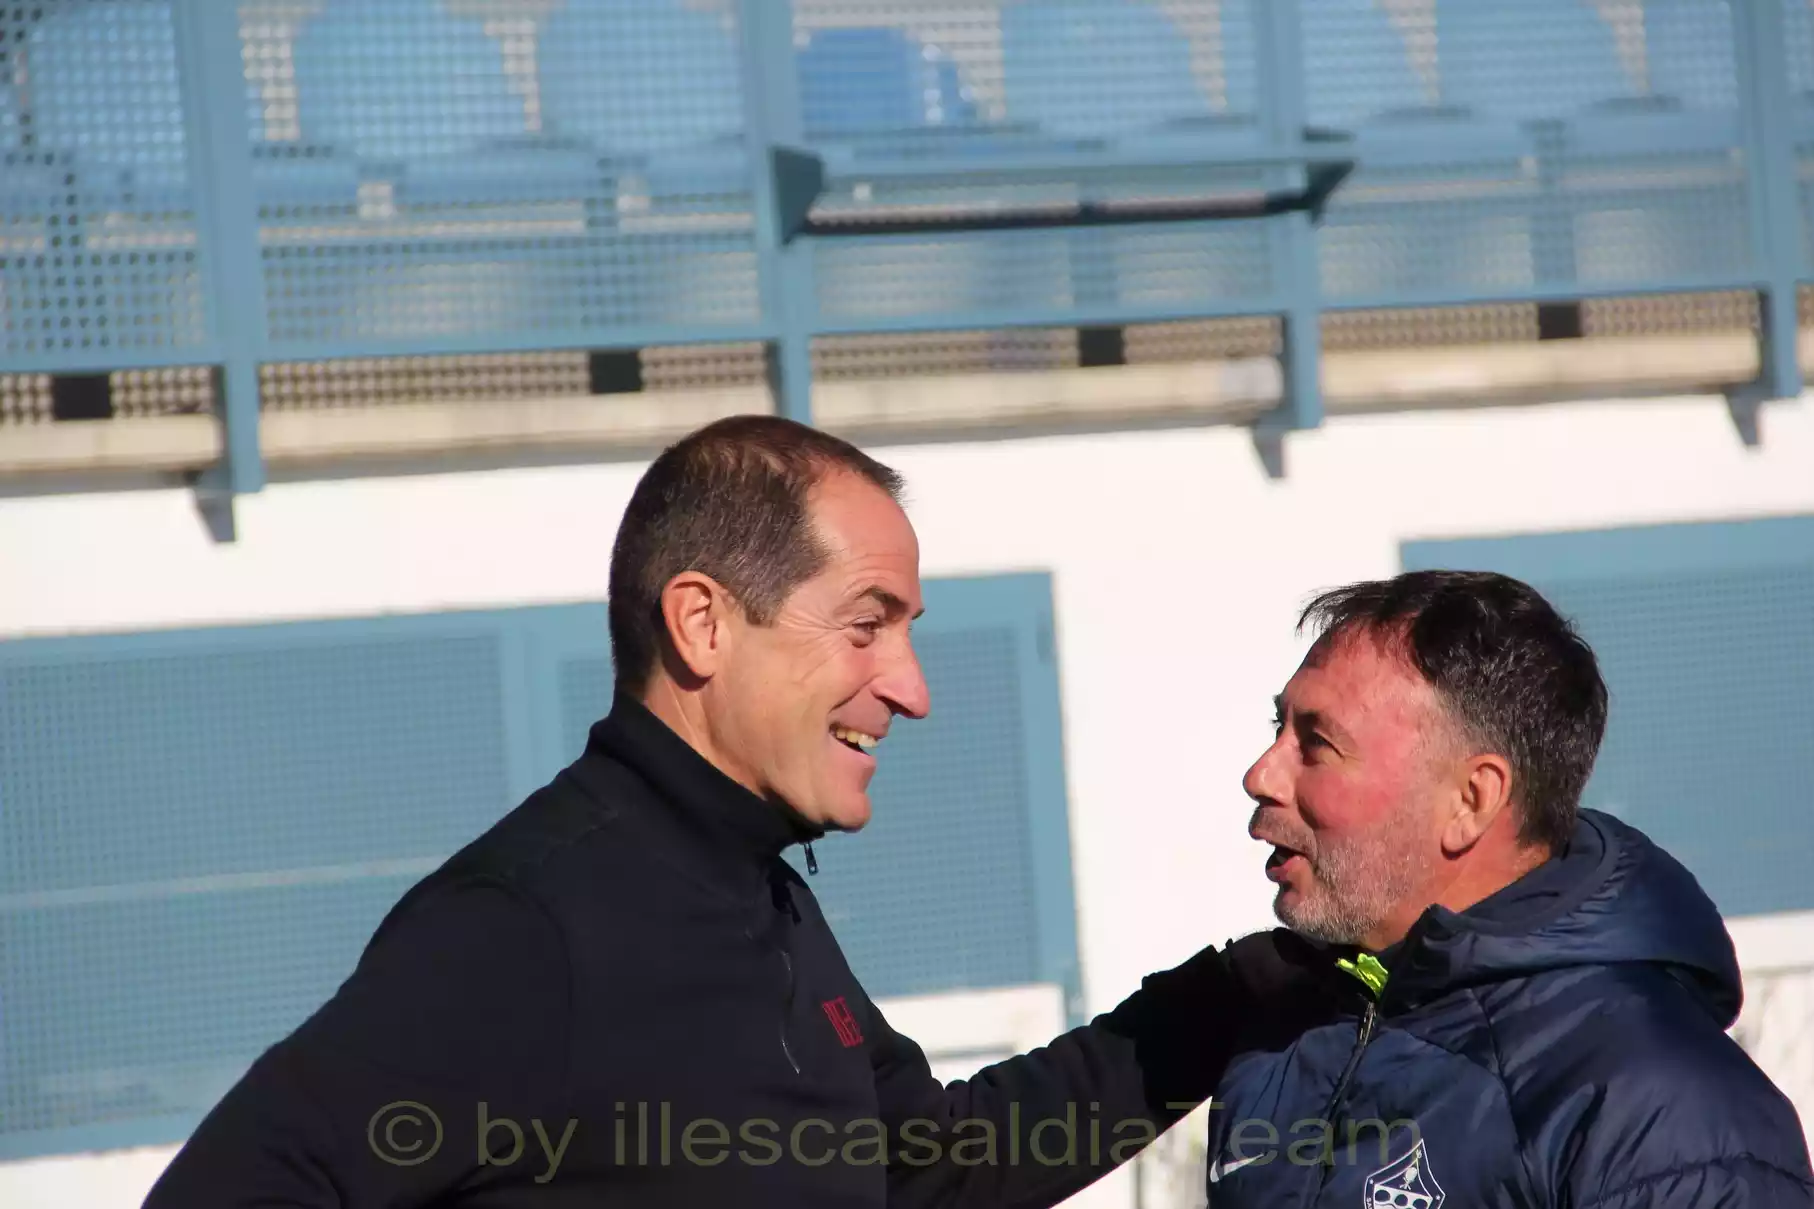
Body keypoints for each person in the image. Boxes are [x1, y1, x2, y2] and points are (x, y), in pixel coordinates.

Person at [144, 415, 1329, 1208]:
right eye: (866, 625)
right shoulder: (526, 924)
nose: (910, 687)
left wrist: (1234, 998)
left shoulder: (755, 890)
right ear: (703, 624)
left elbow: (927, 1169)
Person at [1202, 570, 1814, 1208]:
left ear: (1471, 800)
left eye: (1317, 744)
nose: (1261, 774)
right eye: (1278, 729)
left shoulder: (1660, 1113)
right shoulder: (1284, 1035)